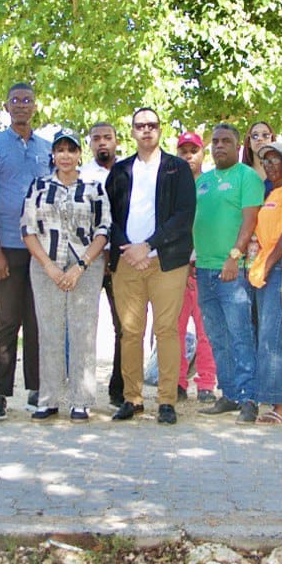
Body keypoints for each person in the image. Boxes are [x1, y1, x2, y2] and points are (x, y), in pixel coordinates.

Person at [105, 108, 196, 424]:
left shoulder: (177, 169)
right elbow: (109, 217)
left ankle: (167, 401)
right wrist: (128, 248)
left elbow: (184, 216)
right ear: (131, 131)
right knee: (130, 331)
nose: (146, 130)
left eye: (152, 125)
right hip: (127, 260)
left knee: (166, 330)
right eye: (140, 125)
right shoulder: (119, 171)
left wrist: (150, 245)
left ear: (160, 130)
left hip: (166, 261)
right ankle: (132, 399)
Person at [21, 128, 111, 421]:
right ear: (53, 154)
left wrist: (80, 265)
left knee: (83, 332)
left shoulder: (94, 187)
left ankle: (81, 399)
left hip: (85, 267)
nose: (65, 155)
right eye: (60, 150)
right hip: (45, 265)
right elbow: (27, 228)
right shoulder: (38, 186)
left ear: (78, 154)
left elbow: (103, 229)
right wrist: (48, 266)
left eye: (71, 150)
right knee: (49, 332)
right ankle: (48, 398)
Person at [0, 82, 52, 419]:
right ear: (6, 106)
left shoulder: (48, 148)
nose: (22, 105)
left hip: (41, 248)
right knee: (7, 321)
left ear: (35, 106)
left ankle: (37, 390)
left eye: (28, 100)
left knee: (38, 321)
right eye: (16, 100)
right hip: (6, 244)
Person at [194, 124, 264, 423]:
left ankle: (249, 397)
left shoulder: (246, 177)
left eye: (226, 141)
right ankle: (230, 394)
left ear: (238, 146)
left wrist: (233, 256)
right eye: (215, 141)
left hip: (231, 270)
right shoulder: (203, 181)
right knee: (217, 336)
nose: (219, 146)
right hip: (203, 268)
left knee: (240, 335)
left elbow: (249, 223)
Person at [248, 141, 282, 424]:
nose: (269, 165)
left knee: (271, 337)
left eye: (275, 159)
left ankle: (279, 406)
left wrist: (268, 265)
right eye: (265, 161)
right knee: (273, 337)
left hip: (281, 266)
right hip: (265, 267)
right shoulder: (272, 192)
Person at [80, 121, 125, 407]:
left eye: (107, 137)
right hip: (89, 259)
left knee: (125, 325)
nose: (102, 143)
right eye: (96, 138)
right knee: (82, 325)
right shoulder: (82, 174)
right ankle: (80, 389)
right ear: (90, 144)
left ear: (116, 140)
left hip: (122, 259)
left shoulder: (129, 171)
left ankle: (119, 388)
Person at [174, 130, 217, 403]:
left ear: (203, 153)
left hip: (203, 268)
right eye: (184, 151)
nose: (189, 155)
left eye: (194, 150)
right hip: (176, 269)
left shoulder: (211, 184)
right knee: (173, 329)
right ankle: (176, 382)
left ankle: (206, 384)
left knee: (206, 331)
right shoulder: (171, 185)